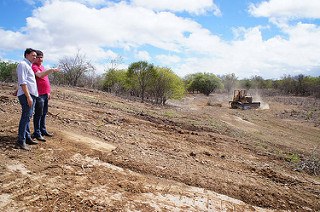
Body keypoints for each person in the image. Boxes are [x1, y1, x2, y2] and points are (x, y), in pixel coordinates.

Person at [31, 50, 59, 142]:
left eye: (42, 57)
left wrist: (48, 92)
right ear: (35, 58)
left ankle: (43, 130)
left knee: (44, 113)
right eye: (38, 57)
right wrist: (51, 70)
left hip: (45, 94)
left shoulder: (42, 67)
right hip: (38, 94)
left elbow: (45, 80)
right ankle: (37, 132)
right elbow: (40, 75)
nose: (40, 59)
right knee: (38, 114)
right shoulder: (34, 67)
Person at [16, 48, 39, 150]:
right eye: (33, 55)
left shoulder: (28, 65)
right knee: (25, 117)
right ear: (26, 55)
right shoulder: (23, 64)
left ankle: (27, 137)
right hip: (27, 95)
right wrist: (28, 96)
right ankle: (21, 140)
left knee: (28, 116)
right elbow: (23, 81)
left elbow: (25, 81)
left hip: (30, 94)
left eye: (35, 56)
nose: (35, 57)